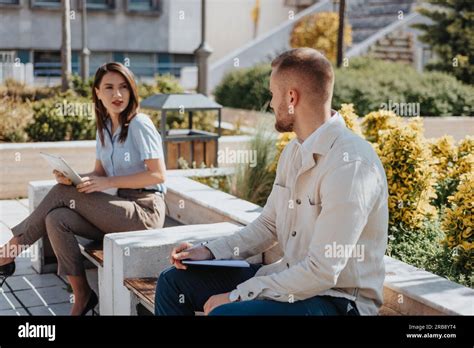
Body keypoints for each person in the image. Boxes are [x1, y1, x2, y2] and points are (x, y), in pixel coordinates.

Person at [154, 48, 389, 316]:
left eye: (272, 93)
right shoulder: (293, 152)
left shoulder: (351, 164)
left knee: (226, 314)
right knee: (173, 282)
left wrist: (236, 296)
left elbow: (323, 271)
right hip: (288, 278)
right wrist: (209, 251)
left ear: (291, 97)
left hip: (337, 301)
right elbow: (268, 224)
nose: (270, 103)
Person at [0, 62, 166, 315]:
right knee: (57, 218)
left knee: (59, 196)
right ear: (97, 92)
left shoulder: (139, 123)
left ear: (132, 91)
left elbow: (157, 174)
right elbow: (99, 174)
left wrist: (108, 183)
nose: (117, 94)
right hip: (118, 213)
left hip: (144, 212)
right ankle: (83, 296)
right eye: (109, 87)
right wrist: (72, 178)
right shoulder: (104, 129)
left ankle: (8, 253)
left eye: (123, 87)